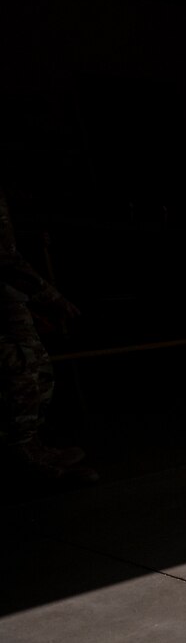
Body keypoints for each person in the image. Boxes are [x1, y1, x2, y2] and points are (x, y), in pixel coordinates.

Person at [1, 190, 86, 484]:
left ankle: (33, 446)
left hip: (10, 299)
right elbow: (5, 257)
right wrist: (50, 297)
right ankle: (20, 456)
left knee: (36, 369)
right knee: (18, 371)